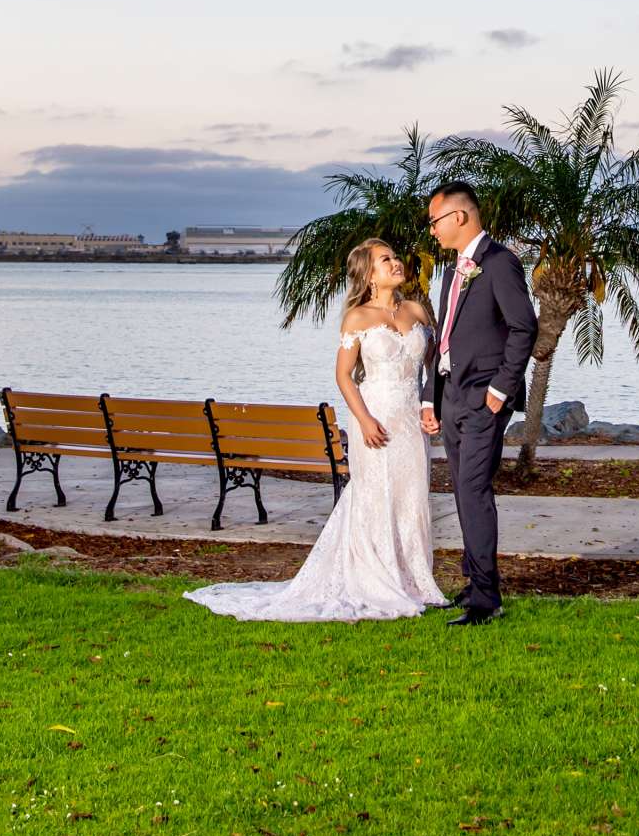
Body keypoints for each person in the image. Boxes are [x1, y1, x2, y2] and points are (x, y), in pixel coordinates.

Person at [184, 239, 448, 622]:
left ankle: (415, 580)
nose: (395, 263)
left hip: (410, 422)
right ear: (368, 275)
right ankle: (377, 579)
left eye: (394, 257)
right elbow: (344, 376)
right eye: (384, 260)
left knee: (410, 498)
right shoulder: (358, 318)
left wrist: (430, 407)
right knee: (376, 495)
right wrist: (364, 419)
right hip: (374, 417)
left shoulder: (417, 310)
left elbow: (433, 367)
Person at [421, 179, 538, 625]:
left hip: (483, 397)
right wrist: (429, 398)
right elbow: (444, 337)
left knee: (473, 489)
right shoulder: (453, 270)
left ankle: (487, 600)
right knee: (463, 490)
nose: (432, 230)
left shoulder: (500, 263)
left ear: (460, 217)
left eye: (435, 221)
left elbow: (523, 328)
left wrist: (499, 390)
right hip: (451, 395)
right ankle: (474, 585)